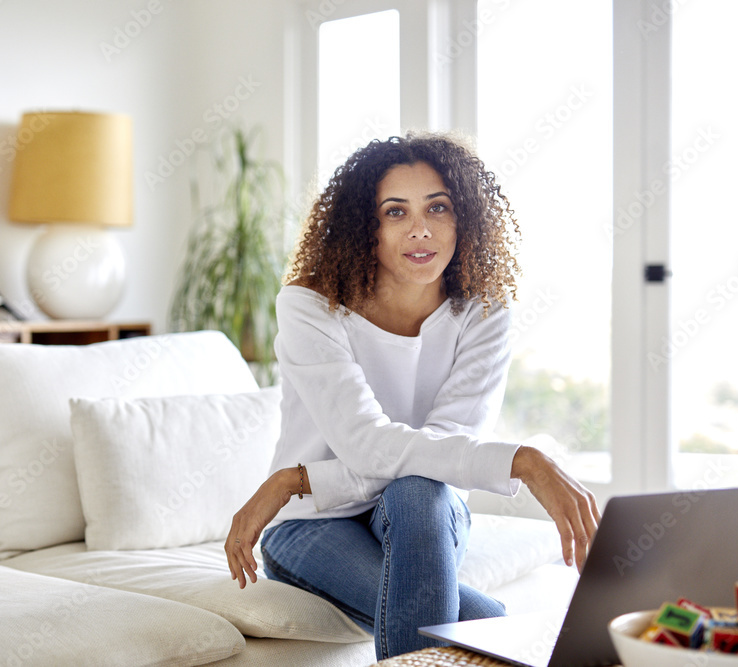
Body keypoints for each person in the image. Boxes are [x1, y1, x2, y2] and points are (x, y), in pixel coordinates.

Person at [224, 131, 601, 660]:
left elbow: (443, 448)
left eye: (438, 207)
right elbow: (366, 444)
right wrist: (522, 462)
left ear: (464, 217)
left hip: (421, 509)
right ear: (365, 226)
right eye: (395, 212)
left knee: (419, 489)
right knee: (486, 624)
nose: (420, 229)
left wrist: (298, 478)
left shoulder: (484, 311)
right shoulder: (310, 304)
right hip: (312, 522)